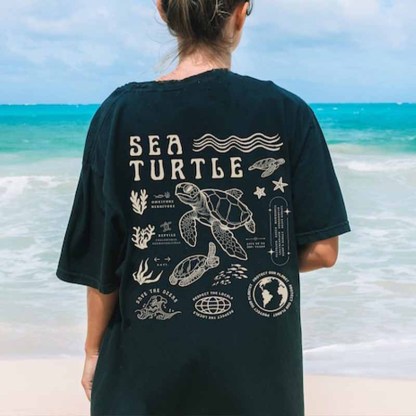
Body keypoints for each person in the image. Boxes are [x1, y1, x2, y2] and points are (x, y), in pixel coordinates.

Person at [55, 0, 352, 414]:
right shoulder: (289, 112)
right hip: (257, 384)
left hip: (142, 383)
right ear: (241, 12)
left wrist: (92, 351)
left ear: (163, 10)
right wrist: (259, 256)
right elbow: (323, 251)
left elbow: (102, 262)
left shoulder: (118, 114)